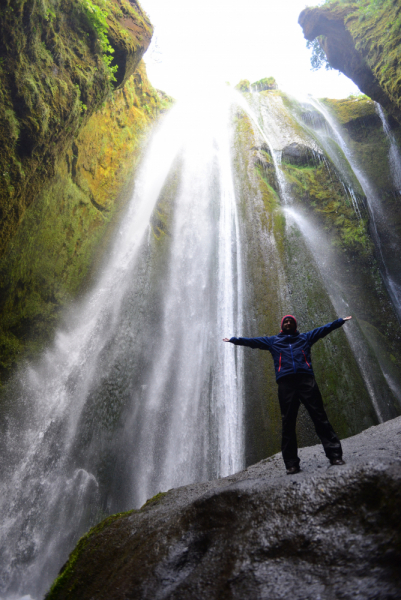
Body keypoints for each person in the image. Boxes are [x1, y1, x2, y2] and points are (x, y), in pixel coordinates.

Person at [223, 315, 352, 474]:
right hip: (286, 384)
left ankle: (335, 455)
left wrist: (339, 321)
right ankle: (291, 464)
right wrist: (234, 340)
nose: (288, 323)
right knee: (288, 423)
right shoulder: (273, 341)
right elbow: (253, 342)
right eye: (286, 321)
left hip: (306, 381)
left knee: (320, 417)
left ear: (295, 325)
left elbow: (323, 330)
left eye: (291, 321)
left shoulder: (305, 338)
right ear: (282, 325)